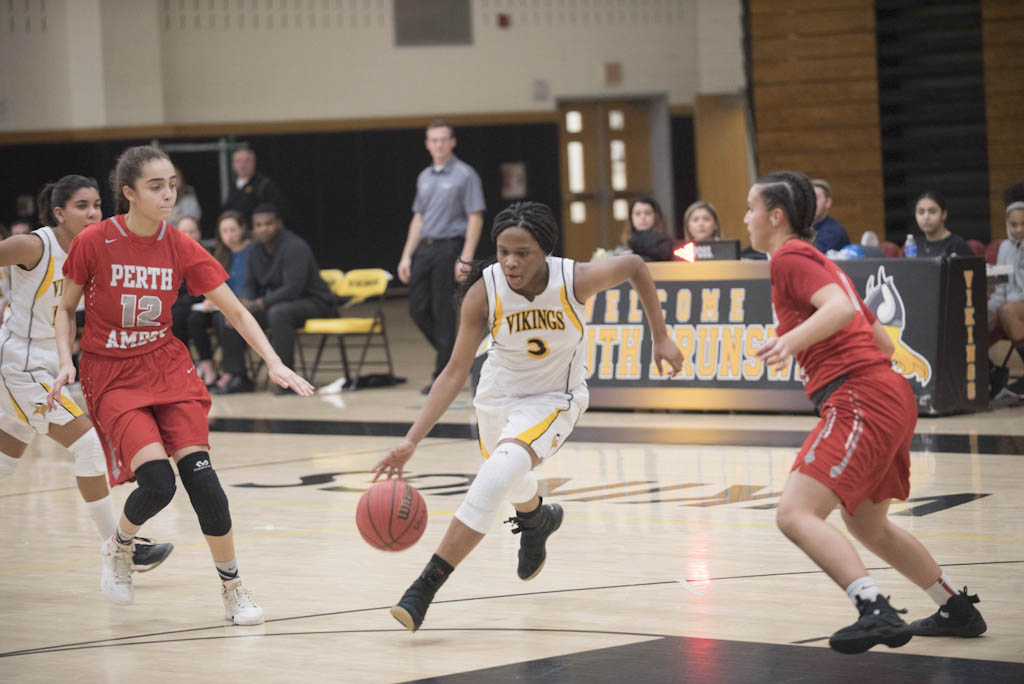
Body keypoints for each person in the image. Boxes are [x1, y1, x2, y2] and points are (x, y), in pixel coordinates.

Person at [373, 201, 684, 632]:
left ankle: (425, 586)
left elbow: (634, 265)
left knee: (496, 475)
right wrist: (412, 440)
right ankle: (537, 519)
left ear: (546, 252)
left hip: (555, 397)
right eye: (503, 252)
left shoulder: (574, 278)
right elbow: (453, 372)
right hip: (497, 396)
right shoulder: (484, 291)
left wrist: (661, 337)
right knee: (509, 475)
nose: (511, 262)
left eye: (523, 253)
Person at [47, 146, 314, 623]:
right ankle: (120, 546)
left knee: (203, 482)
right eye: (155, 186)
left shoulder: (181, 245)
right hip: (111, 373)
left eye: (171, 183)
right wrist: (65, 361)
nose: (168, 193)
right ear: (129, 193)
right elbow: (66, 308)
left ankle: (234, 589)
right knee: (157, 482)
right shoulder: (95, 242)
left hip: (167, 367)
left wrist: (274, 362)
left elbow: (233, 310)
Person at [746, 170, 986, 655]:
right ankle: (955, 607)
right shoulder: (820, 262)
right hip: (887, 392)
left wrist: (791, 341)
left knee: (795, 513)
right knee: (867, 526)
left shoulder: (789, 257)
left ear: (775, 216)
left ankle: (873, 609)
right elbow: (877, 338)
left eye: (750, 209)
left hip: (862, 397)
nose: (745, 219)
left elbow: (839, 310)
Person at [0, 175, 173, 572]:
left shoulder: (94, 250)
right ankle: (121, 550)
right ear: (59, 213)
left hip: (50, 363)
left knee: (5, 463)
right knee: (89, 447)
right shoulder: (34, 245)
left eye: (96, 204)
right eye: (81, 206)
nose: (93, 212)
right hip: (21, 363)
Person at [397, 120, 485, 394]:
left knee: (442, 311)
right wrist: (406, 256)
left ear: (452, 142)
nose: (438, 144)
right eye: (433, 140)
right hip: (425, 247)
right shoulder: (424, 176)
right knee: (417, 308)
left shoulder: (465, 175)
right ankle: (458, 359)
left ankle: (441, 375)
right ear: (427, 144)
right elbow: (418, 218)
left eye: (443, 139)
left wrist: (465, 257)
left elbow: (475, 217)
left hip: (449, 247)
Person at [216, 203, 334, 395]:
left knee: (279, 313)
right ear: (252, 228)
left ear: (279, 223)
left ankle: (286, 380)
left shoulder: (295, 246)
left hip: (315, 302)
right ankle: (238, 376)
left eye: (268, 224)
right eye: (259, 225)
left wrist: (257, 304)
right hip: (278, 304)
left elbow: (292, 289)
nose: (263, 228)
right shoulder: (255, 250)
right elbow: (249, 284)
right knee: (232, 315)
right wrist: (243, 302)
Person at [170, 217, 218, 387]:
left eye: (192, 231)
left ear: (199, 233)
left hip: (205, 301)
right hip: (183, 303)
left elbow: (208, 286)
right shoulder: (172, 256)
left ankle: (207, 367)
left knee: (190, 318)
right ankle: (186, 367)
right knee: (173, 317)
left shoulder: (206, 254)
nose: (188, 235)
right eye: (184, 232)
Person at [989, 198, 1024, 396]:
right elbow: (1000, 290)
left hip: (1016, 306)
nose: (1018, 229)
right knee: (978, 316)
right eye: (1013, 224)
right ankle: (990, 373)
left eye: (1023, 224)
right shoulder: (1003, 248)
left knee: (1007, 310)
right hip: (1008, 303)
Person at [221, 146, 288, 223]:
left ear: (254, 163)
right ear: (233, 164)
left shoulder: (264, 185)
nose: (242, 165)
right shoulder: (233, 185)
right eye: (238, 161)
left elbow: (281, 209)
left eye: (247, 161)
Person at [911, 192, 971, 258]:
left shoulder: (957, 245)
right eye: (921, 212)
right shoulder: (913, 245)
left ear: (944, 214)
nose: (926, 217)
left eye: (932, 212)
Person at [619, 196, 673, 261]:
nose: (643, 217)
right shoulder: (624, 241)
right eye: (638, 213)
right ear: (631, 218)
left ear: (656, 216)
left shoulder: (665, 242)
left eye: (648, 213)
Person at [810, 179, 851, 254]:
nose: (812, 202)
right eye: (809, 198)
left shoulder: (834, 232)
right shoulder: (804, 228)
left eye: (816, 198)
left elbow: (810, 256)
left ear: (828, 202)